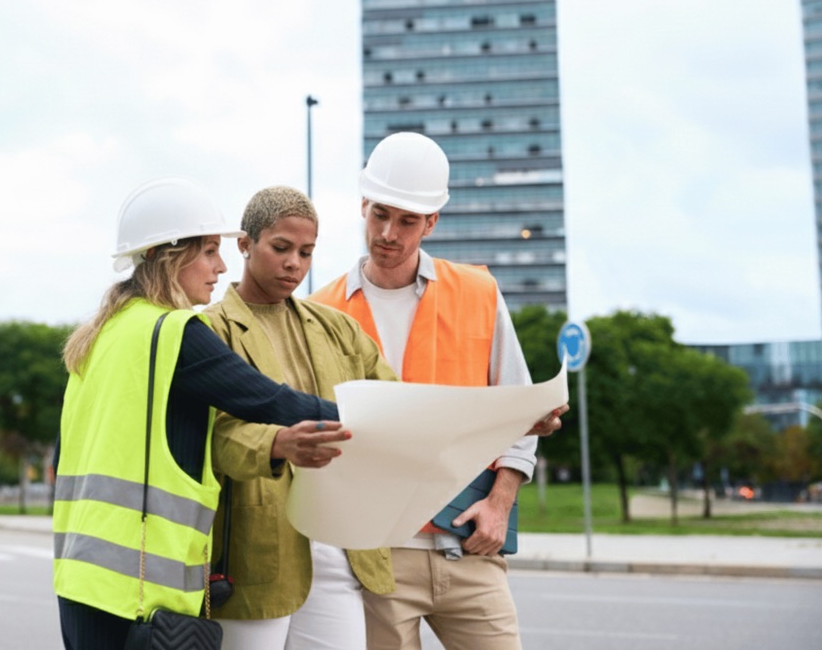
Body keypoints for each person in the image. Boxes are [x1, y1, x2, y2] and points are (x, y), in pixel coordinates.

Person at [53, 176, 354, 650]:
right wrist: (368, 421)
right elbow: (269, 400)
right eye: (209, 251)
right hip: (142, 592)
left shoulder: (97, 338)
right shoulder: (175, 333)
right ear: (169, 255)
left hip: (82, 579)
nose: (220, 266)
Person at [311, 132, 568, 650]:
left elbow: (518, 413)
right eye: (379, 213)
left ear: (431, 222)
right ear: (363, 203)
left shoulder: (478, 294)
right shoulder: (321, 312)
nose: (388, 232)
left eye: (407, 220)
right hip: (373, 559)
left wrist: (500, 504)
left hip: (469, 546)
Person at [204, 185, 397, 650]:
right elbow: (213, 435)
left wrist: (508, 420)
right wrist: (277, 444)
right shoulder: (211, 330)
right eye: (281, 248)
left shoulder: (338, 327)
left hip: (340, 548)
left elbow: (391, 404)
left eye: (307, 252)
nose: (295, 263)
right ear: (245, 245)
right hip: (257, 551)